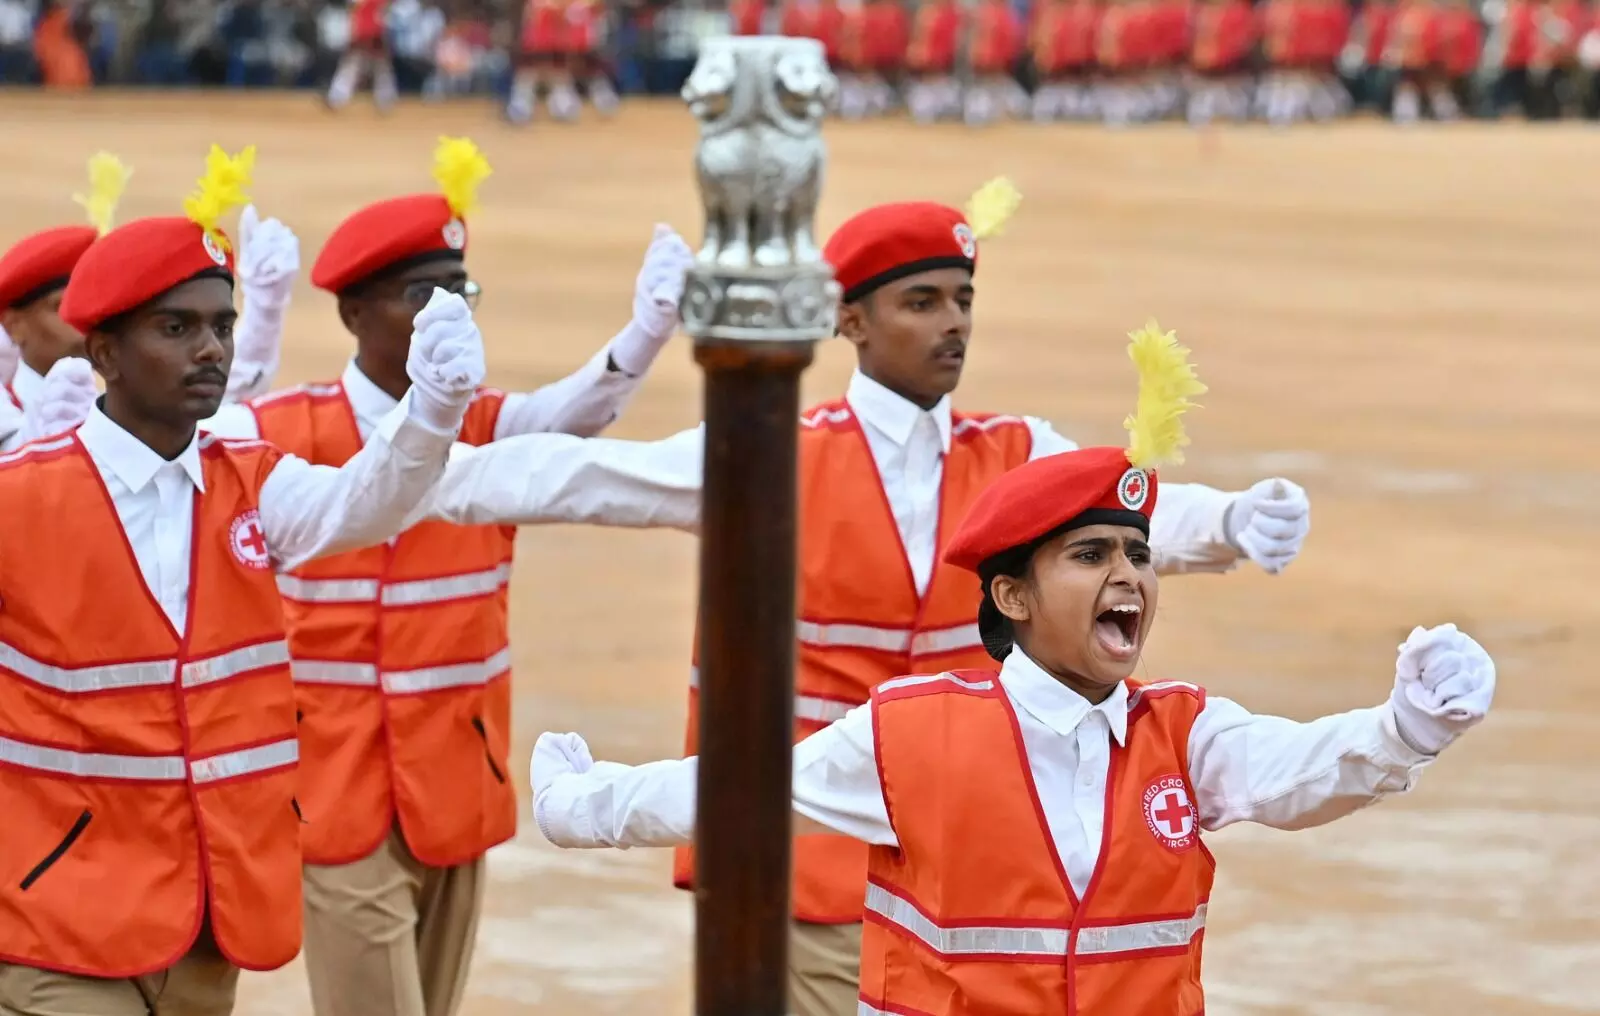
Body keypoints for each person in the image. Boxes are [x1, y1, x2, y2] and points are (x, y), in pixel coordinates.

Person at [480, 184, 1312, 1016]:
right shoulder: (772, 449)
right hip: (795, 851)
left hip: (967, 864)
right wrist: (418, 473)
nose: (955, 324)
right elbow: (587, 477)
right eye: (923, 302)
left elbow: (1130, 519)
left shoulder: (1018, 451)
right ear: (851, 321)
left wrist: (1233, 521)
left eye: (964, 300)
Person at [528, 323, 1497, 1016]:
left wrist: (1404, 727)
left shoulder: (1184, 731)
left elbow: (1301, 773)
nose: (1127, 575)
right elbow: (736, 793)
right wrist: (582, 806)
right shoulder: (913, 733)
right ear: (1012, 597)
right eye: (1090, 555)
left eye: (1138, 554)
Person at [194, 136, 695, 1016]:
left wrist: (645, 333)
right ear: (355, 314)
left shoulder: (488, 422)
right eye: (424, 292)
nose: (450, 310)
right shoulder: (279, 428)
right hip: (329, 789)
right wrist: (259, 317)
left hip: (454, 782)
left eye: (462, 289)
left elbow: (572, 418)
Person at [0, 152, 294, 451]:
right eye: (61, 307)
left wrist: (265, 314)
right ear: (13, 325)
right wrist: (29, 446)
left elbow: (226, 399)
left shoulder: (127, 402)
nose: (81, 319)